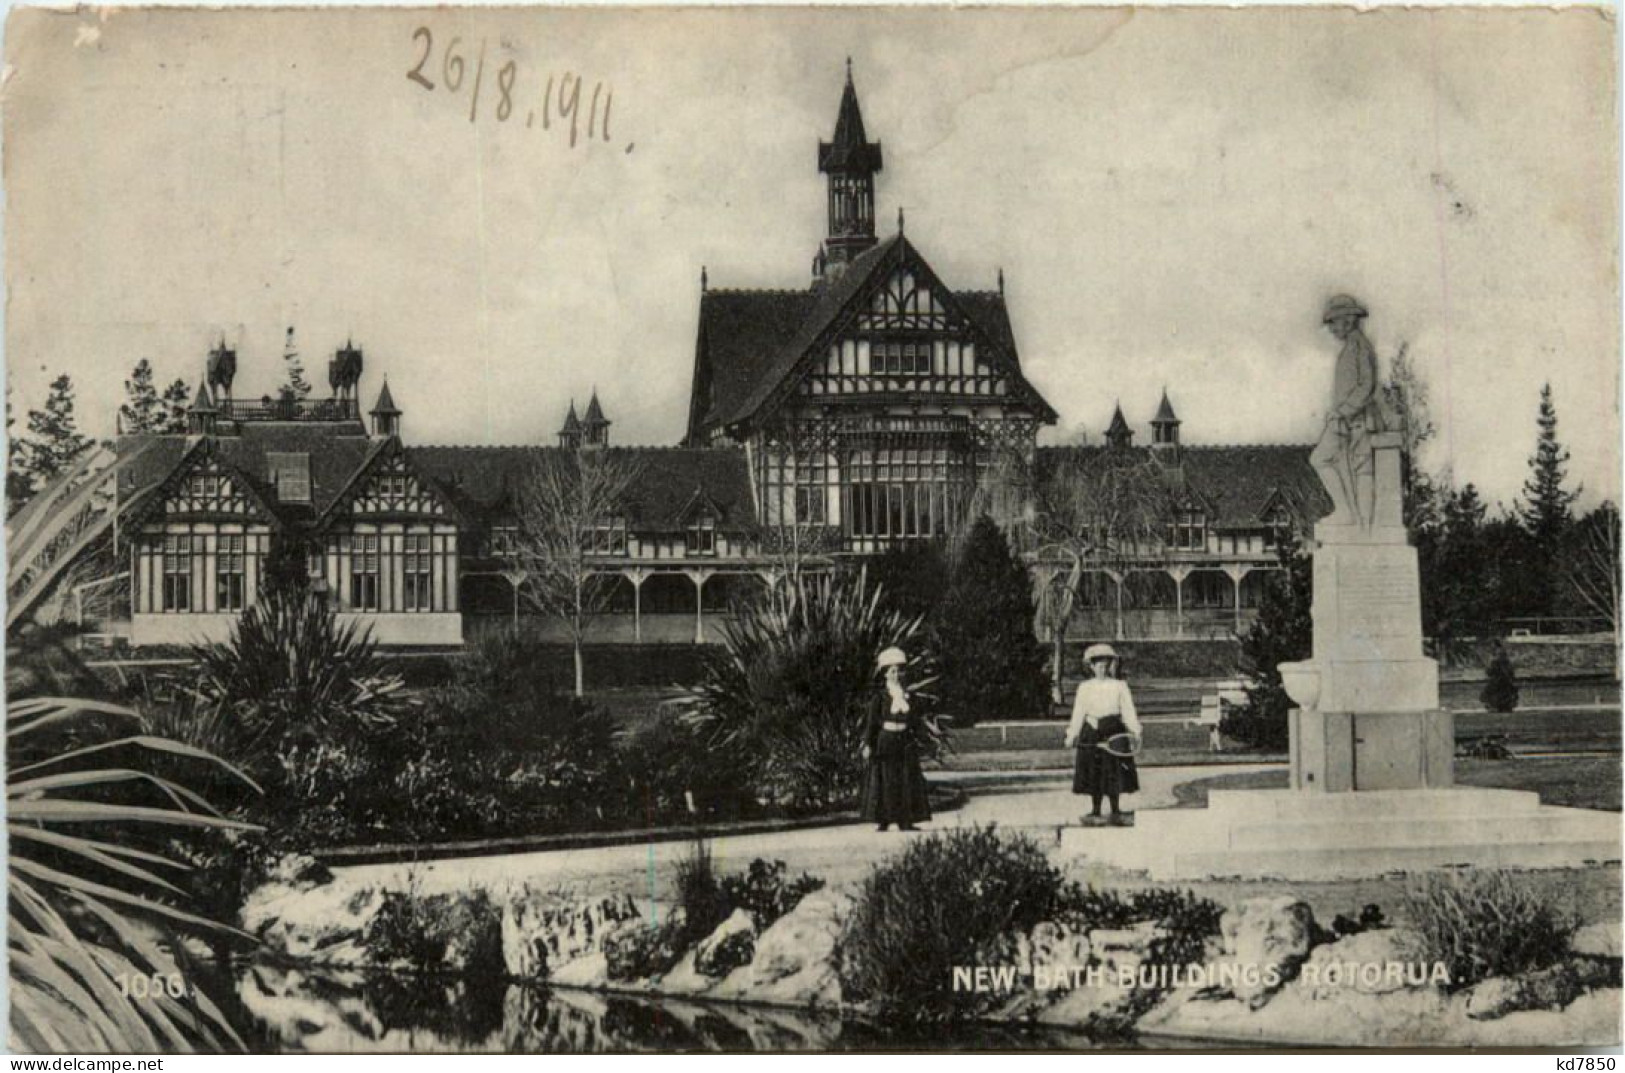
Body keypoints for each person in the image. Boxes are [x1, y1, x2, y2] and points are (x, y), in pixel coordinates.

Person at [1311, 294, 1391, 528]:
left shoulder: (1359, 347)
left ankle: (1348, 515)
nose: (1332, 329)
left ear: (1347, 321)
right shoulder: (1353, 347)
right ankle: (1352, 517)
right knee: (1353, 469)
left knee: (1322, 459)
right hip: (1347, 420)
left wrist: (1343, 411)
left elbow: (1366, 385)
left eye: (1334, 323)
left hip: (1352, 419)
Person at [1065, 643, 1142, 826]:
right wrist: (1072, 734)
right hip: (1091, 732)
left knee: (1114, 771)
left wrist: (1136, 730)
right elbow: (1078, 713)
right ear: (1091, 667)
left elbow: (1128, 711)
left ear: (1110, 666)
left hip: (1113, 730)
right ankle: (1096, 810)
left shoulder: (1119, 686)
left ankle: (1115, 810)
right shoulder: (1084, 687)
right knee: (1094, 771)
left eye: (1105, 664)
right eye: (1098, 665)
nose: (1102, 668)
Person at [861, 646, 932, 832]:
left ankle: (906, 820)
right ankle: (884, 819)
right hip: (886, 741)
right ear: (885, 674)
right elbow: (872, 723)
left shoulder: (908, 696)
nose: (897, 675)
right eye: (892, 671)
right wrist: (868, 744)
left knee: (906, 779)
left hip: (904, 741)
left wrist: (922, 739)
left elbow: (915, 721)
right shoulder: (881, 697)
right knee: (887, 779)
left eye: (899, 671)